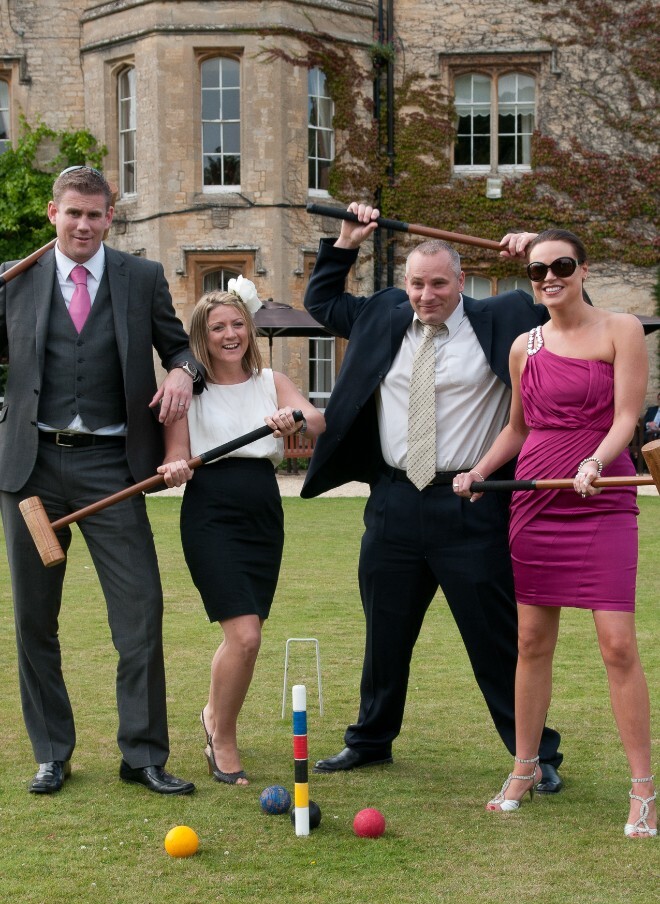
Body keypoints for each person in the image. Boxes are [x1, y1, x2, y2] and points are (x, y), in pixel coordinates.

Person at [301, 202, 563, 790]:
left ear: (460, 282)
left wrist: (541, 260)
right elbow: (321, 303)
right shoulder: (383, 315)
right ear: (404, 285)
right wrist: (346, 241)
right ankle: (370, 741)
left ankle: (536, 754)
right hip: (394, 501)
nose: (427, 295)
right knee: (384, 634)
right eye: (417, 284)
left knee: (494, 639)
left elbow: (575, 320)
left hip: (471, 503)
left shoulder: (509, 316)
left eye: (438, 283)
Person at [0, 165, 205, 795]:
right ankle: (52, 753)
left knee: (140, 612)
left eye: (95, 214)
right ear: (52, 215)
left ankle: (142, 754)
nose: (83, 224)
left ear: (110, 218)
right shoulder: (15, 282)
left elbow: (183, 350)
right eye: (73, 213)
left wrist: (181, 374)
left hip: (112, 467)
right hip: (30, 470)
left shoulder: (139, 278)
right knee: (36, 619)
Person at [454, 229, 656, 838]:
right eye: (539, 269)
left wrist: (595, 461)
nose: (549, 277)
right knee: (532, 642)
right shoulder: (523, 347)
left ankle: (644, 788)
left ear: (583, 269)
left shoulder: (622, 330)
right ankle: (524, 768)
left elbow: (627, 417)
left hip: (600, 497)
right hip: (538, 500)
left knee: (617, 644)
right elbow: (518, 427)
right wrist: (481, 470)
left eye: (561, 265)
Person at [158, 280, 325, 785]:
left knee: (251, 635)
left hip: (262, 510)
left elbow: (316, 419)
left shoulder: (270, 380)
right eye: (217, 328)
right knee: (245, 636)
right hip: (210, 510)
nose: (230, 335)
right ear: (201, 337)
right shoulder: (187, 390)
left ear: (248, 330)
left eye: (236, 325)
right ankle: (220, 732)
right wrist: (175, 468)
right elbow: (173, 455)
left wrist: (292, 416)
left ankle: (215, 717)